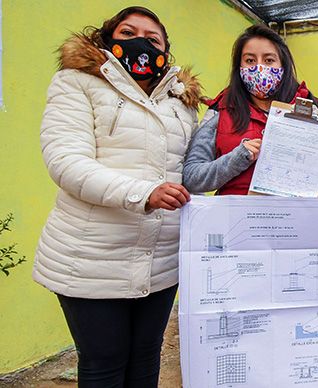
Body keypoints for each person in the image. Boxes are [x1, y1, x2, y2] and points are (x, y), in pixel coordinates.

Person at [32, 7, 201, 387]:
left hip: (159, 262)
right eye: (128, 32)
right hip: (91, 258)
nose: (140, 41)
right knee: (104, 364)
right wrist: (145, 193)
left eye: (152, 38)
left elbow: (193, 171)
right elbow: (66, 163)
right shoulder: (76, 83)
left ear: (165, 51)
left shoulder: (181, 103)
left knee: (145, 359)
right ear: (108, 39)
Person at [183, 25, 318, 196]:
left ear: (283, 65)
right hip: (234, 220)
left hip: (293, 220)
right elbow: (191, 178)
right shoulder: (219, 112)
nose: (259, 68)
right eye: (250, 60)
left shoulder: (310, 113)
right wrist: (237, 158)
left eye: (268, 60)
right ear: (239, 67)